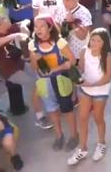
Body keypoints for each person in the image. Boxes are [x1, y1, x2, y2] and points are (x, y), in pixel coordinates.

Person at [29, 14, 78, 151]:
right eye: (36, 26)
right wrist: (35, 58)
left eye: (42, 26)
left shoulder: (60, 43)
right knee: (51, 109)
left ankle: (74, 135)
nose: (38, 29)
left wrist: (57, 68)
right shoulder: (32, 45)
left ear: (50, 27)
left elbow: (72, 61)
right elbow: (34, 67)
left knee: (67, 109)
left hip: (61, 80)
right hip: (44, 83)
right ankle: (58, 135)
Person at [67, 28, 111, 165]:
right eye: (93, 39)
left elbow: (108, 77)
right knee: (82, 117)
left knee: (98, 118)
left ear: (104, 43)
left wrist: (91, 85)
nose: (94, 43)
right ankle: (82, 148)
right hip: (85, 89)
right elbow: (81, 69)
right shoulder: (83, 51)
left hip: (100, 90)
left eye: (98, 40)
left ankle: (101, 143)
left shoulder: (107, 56)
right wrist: (76, 78)